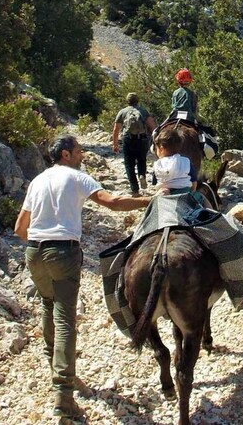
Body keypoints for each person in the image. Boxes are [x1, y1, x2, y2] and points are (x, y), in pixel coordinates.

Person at [14, 135, 150, 419]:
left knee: (48, 306)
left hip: (34, 252)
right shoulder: (77, 177)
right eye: (78, 151)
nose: (82, 155)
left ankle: (56, 366)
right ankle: (63, 394)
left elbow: (19, 227)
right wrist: (149, 201)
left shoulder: (37, 181)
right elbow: (112, 202)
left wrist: (40, 244)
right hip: (62, 252)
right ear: (65, 154)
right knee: (65, 319)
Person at [112, 92, 157, 197]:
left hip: (128, 139)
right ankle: (142, 175)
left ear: (127, 101)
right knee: (142, 160)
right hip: (142, 139)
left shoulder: (122, 112)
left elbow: (116, 129)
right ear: (138, 100)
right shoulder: (143, 111)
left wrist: (115, 144)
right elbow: (152, 126)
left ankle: (135, 190)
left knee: (129, 164)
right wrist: (154, 140)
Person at [151, 127, 199, 199]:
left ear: (161, 149)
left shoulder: (157, 164)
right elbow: (194, 182)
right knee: (203, 199)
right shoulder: (186, 161)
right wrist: (193, 192)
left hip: (164, 194)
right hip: (185, 192)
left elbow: (155, 183)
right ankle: (212, 210)